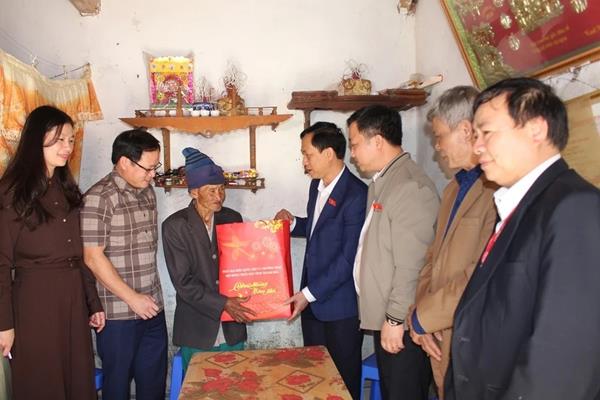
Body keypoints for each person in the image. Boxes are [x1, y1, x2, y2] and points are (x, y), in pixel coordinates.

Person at [445, 78, 600, 400]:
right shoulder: (520, 204)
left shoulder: (575, 207)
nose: (477, 147)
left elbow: (562, 361)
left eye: (486, 132)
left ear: (536, 130)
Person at [0, 105, 105, 399]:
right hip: (35, 300)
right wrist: (4, 325)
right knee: (42, 380)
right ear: (37, 139)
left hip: (72, 295)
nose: (67, 147)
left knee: (77, 377)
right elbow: (1, 264)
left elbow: (78, 253)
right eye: (59, 139)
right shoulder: (11, 192)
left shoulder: (65, 188)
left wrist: (93, 302)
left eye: (71, 140)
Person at [406, 86, 497, 399]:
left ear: (466, 130)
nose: (437, 146)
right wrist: (421, 316)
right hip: (437, 333)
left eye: (440, 136)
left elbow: (481, 273)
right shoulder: (451, 191)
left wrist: (423, 319)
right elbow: (432, 259)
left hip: (473, 335)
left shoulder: (496, 192)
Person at [348, 105, 439, 400]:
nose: (352, 154)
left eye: (354, 144)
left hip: (402, 322)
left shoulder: (408, 186)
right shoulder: (382, 182)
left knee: (404, 392)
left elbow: (412, 265)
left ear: (377, 141)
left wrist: (395, 319)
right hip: (386, 317)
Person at [275, 122, 367, 399]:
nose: (304, 162)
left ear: (328, 154)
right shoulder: (317, 186)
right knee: (315, 378)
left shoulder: (356, 195)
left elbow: (348, 258)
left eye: (308, 154)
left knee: (343, 381)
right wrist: (293, 224)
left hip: (340, 309)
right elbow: (318, 228)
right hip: (313, 305)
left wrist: (307, 294)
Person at [81, 129, 167, 400]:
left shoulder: (147, 192)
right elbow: (92, 257)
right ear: (124, 162)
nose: (152, 174)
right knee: (117, 387)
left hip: (152, 307)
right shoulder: (99, 198)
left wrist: (146, 302)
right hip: (118, 315)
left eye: (155, 167)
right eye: (148, 168)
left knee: (153, 386)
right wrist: (132, 299)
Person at [162, 147, 254, 371]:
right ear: (194, 192)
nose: (219, 196)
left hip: (232, 327)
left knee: (237, 383)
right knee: (199, 386)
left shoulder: (232, 218)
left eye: (222, 189)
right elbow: (183, 283)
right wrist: (224, 303)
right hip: (197, 329)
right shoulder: (175, 226)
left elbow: (242, 267)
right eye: (211, 190)